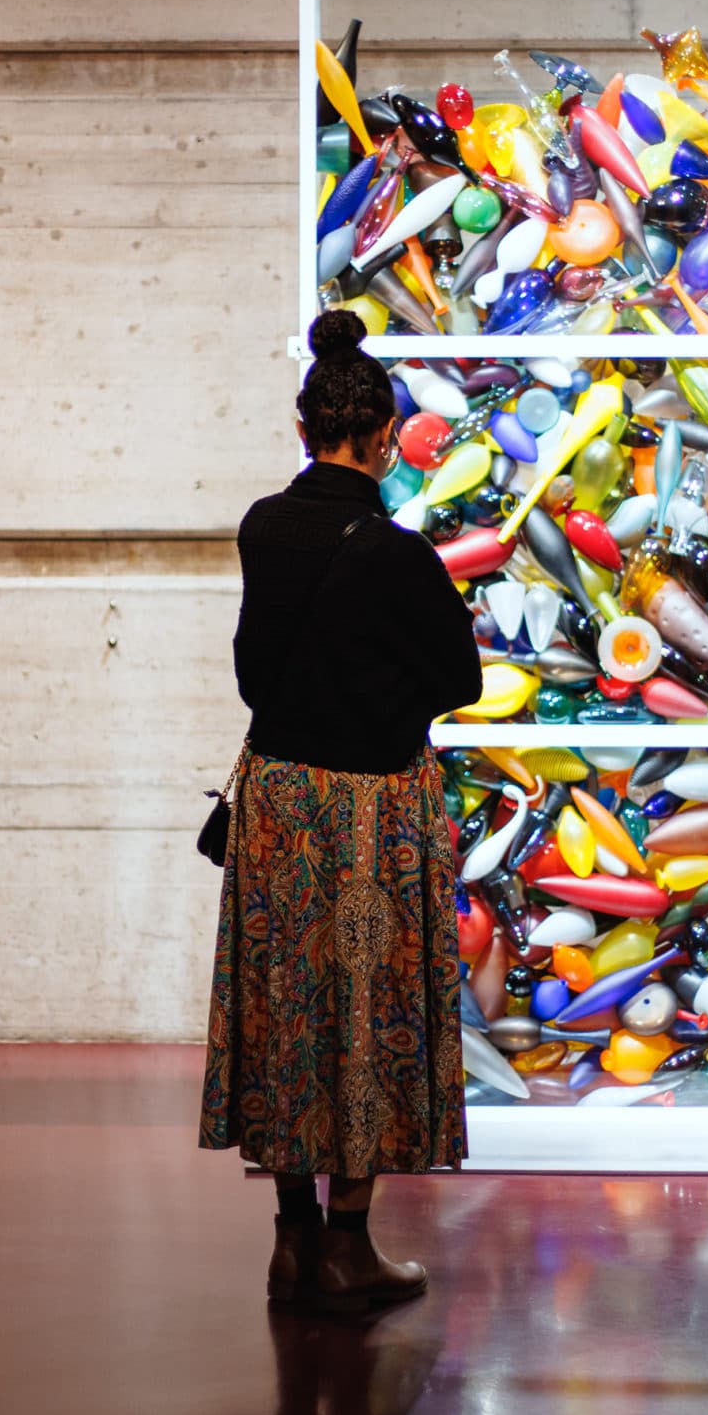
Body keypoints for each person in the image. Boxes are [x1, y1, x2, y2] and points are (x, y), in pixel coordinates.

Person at [200, 308, 484, 1311]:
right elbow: (463, 680)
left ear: (301, 429)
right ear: (383, 437)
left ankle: (291, 1237)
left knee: (288, 1009)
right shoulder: (399, 553)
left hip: (279, 800)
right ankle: (350, 1245)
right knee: (369, 1014)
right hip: (370, 809)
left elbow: (250, 671)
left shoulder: (263, 526)